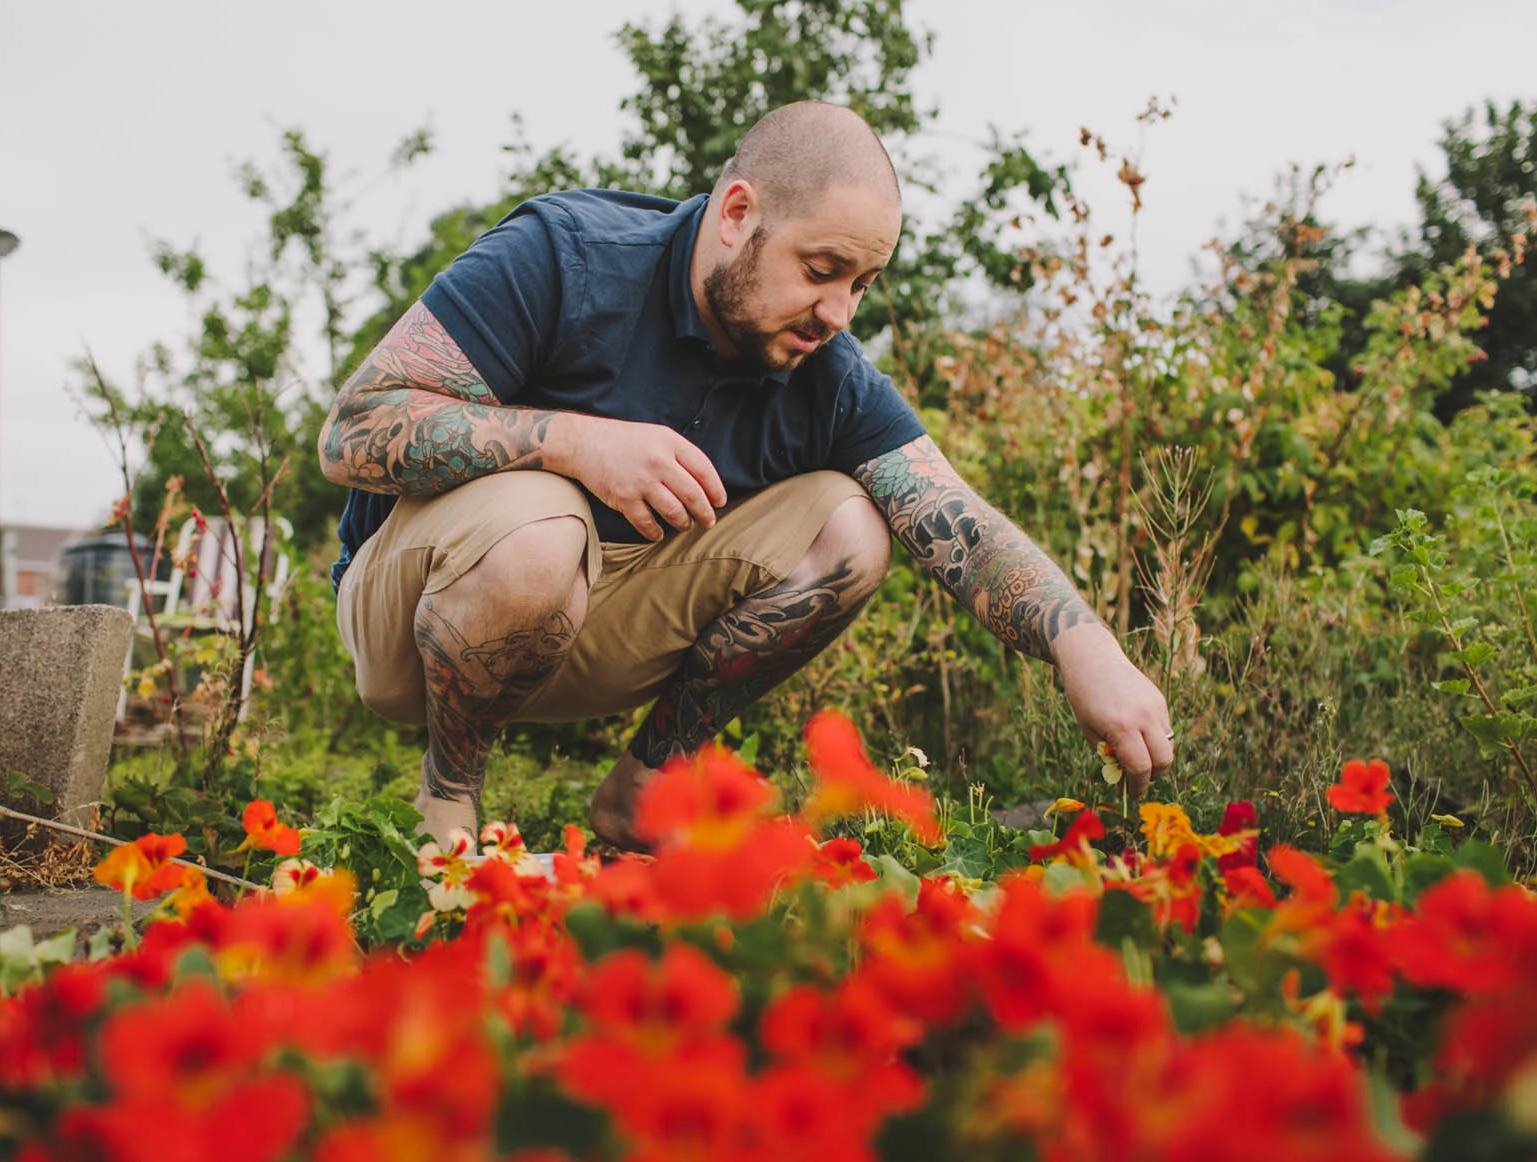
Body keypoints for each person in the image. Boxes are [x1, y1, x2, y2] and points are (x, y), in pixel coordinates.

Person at [320, 100, 1173, 849]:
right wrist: (574, 443)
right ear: (736, 214)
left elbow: (954, 516)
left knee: (853, 525)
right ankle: (452, 799)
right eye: (821, 270)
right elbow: (350, 431)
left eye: (863, 284)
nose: (838, 313)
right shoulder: (567, 256)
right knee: (546, 516)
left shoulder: (823, 370)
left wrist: (1083, 648)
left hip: (594, 627)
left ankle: (644, 796)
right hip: (413, 616)